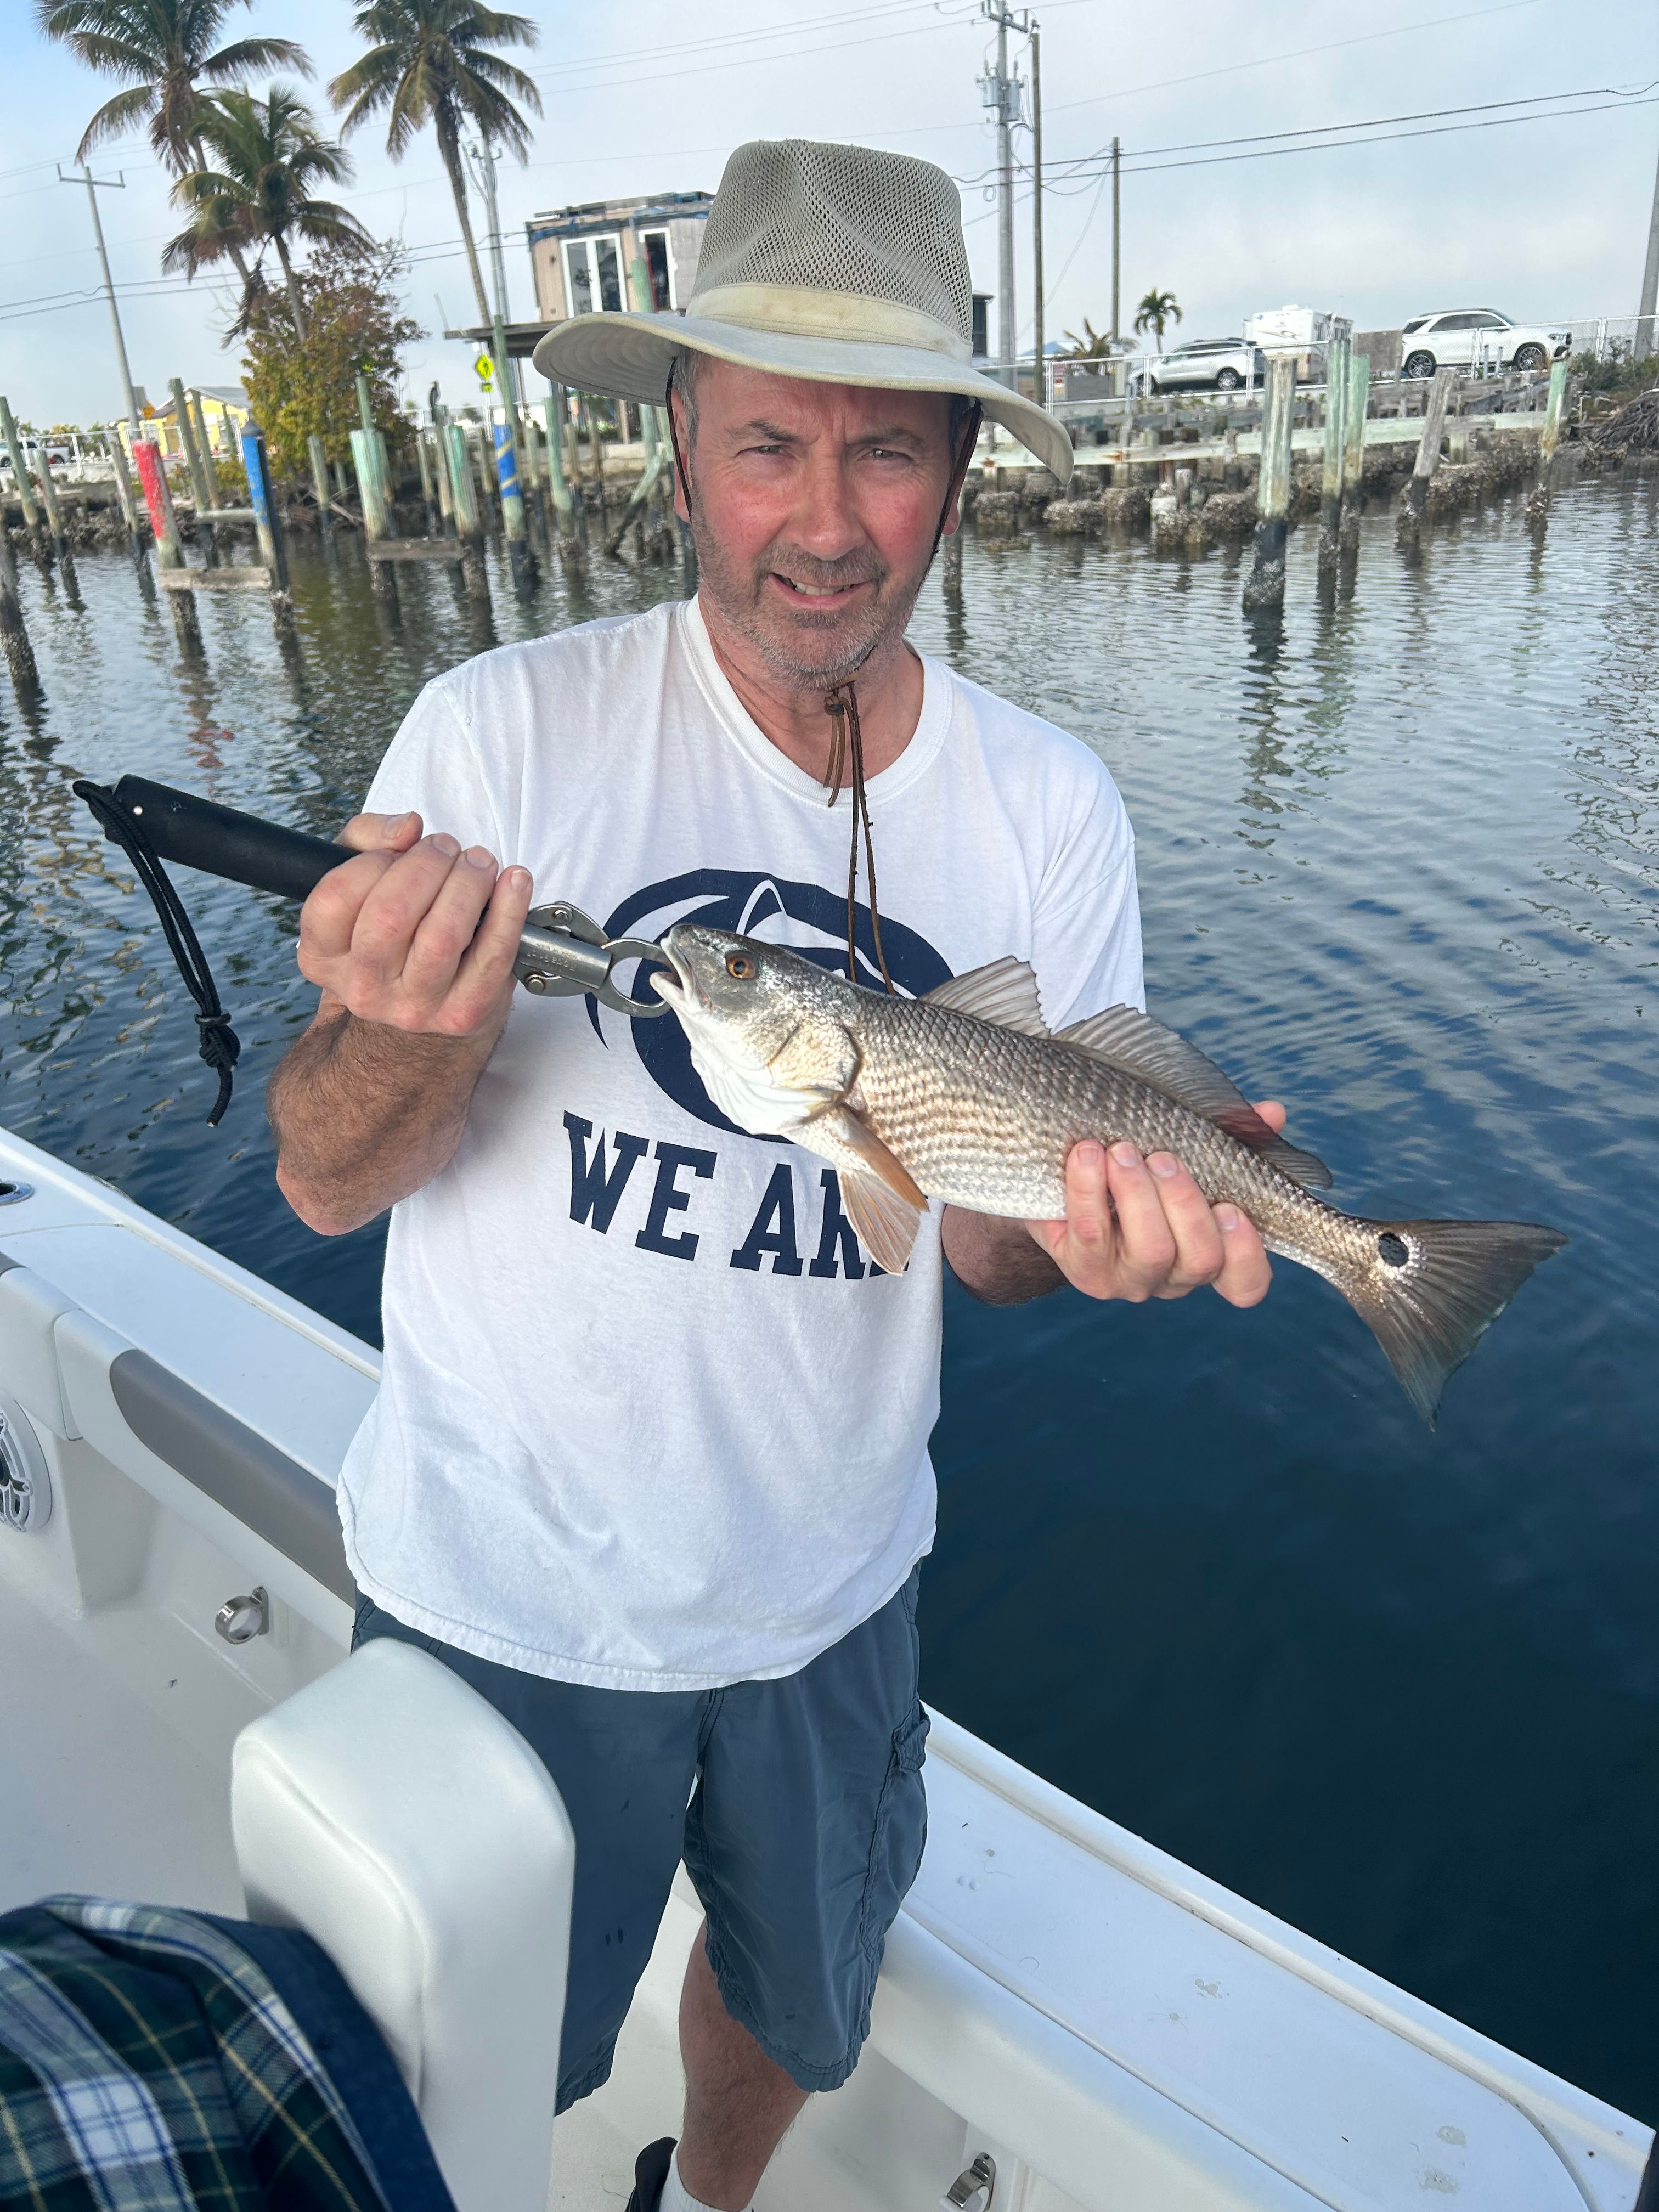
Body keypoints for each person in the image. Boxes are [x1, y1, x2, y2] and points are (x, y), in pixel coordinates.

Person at [267, 138, 1280, 2212]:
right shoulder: (496, 734)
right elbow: (318, 1183)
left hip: (833, 1592)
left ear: (958, 479)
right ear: (678, 452)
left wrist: (1095, 1249)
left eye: (887, 455)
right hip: (502, 1585)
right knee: (446, 2047)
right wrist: (406, 1022)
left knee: (802, 2007)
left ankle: (704, 2205)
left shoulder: (1049, 806)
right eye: (765, 448)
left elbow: (984, 1255)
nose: (824, 523)